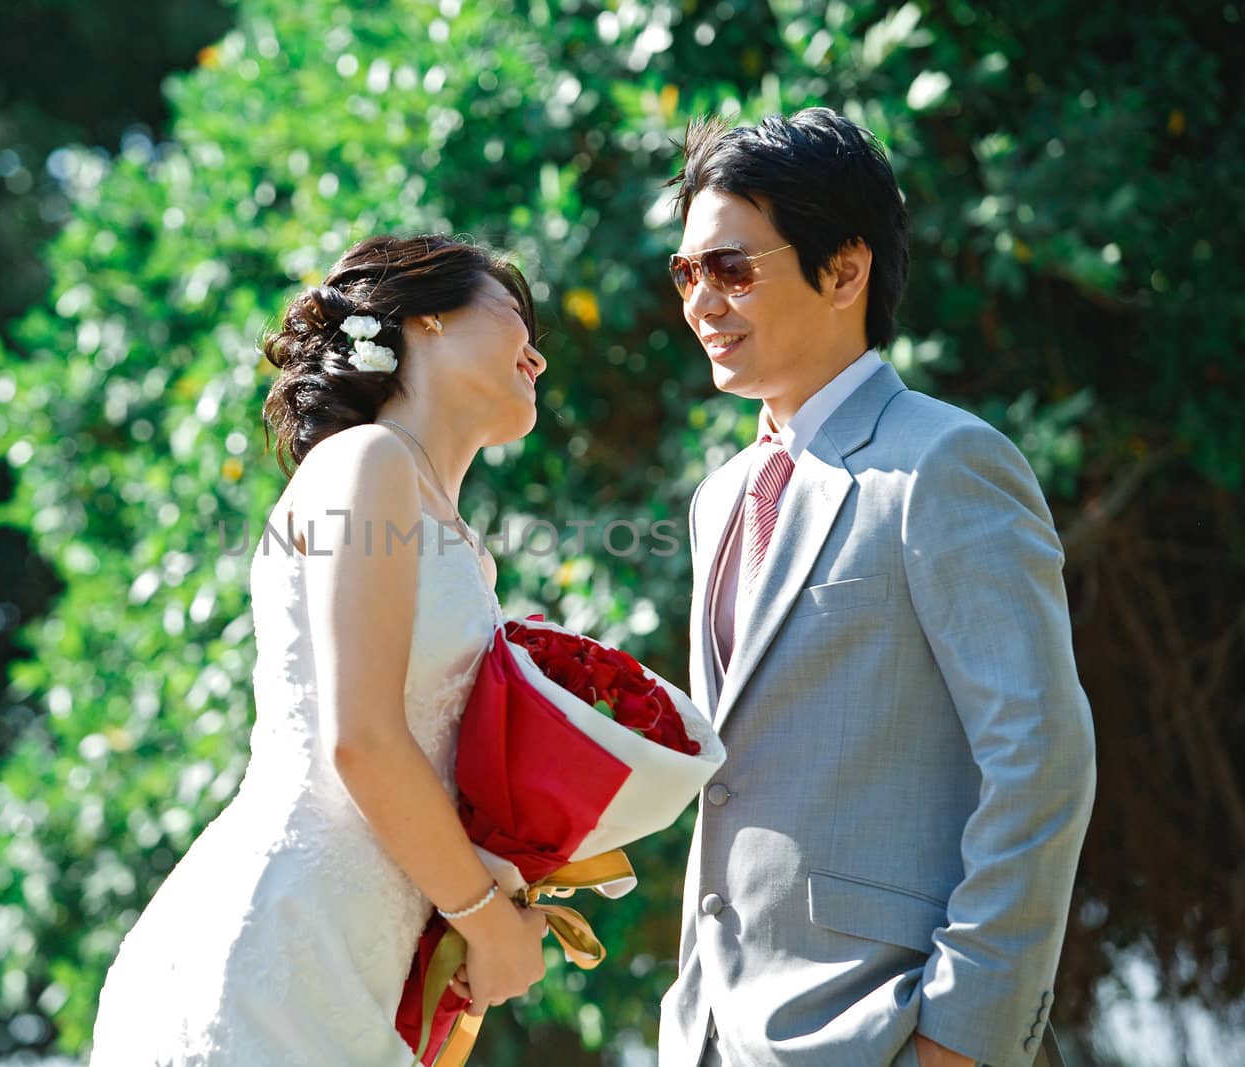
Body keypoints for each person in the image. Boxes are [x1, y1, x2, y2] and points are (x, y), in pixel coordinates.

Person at [656, 108, 1096, 1067]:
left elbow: (1042, 760)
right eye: (687, 273)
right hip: (719, 1034)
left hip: (891, 1029)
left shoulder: (948, 462)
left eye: (732, 268)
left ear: (845, 269)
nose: (701, 301)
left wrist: (962, 1032)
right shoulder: (719, 498)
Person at [88, 234, 551, 1065]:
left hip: (361, 974)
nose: (540, 357)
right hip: (276, 948)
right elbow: (362, 739)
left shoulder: (469, 552)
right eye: (516, 314)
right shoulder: (366, 461)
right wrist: (486, 922)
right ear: (428, 319)